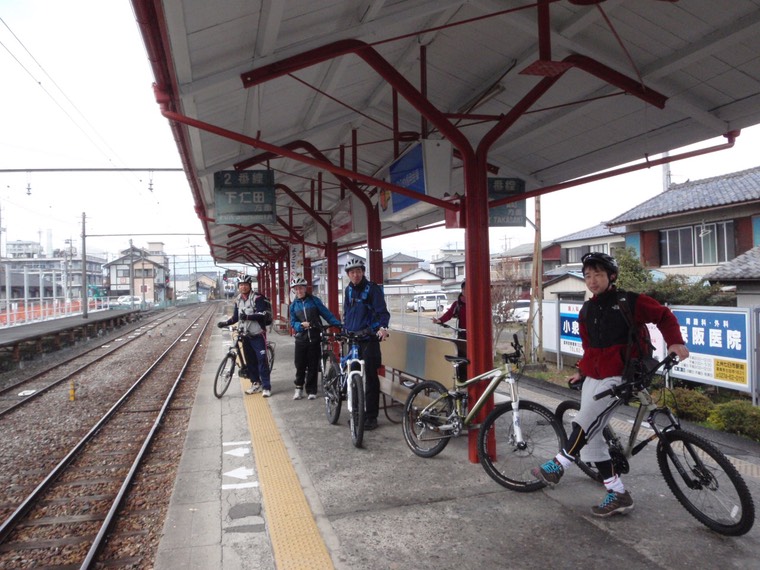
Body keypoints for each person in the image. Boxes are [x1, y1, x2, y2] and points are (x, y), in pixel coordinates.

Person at [531, 252, 690, 517]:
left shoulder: (629, 301)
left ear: (611, 276)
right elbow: (589, 346)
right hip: (595, 374)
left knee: (585, 421)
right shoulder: (587, 310)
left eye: (598, 275)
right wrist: (582, 371)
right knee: (590, 432)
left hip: (624, 374)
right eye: (588, 276)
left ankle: (560, 463)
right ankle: (617, 493)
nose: (592, 281)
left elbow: (663, 316)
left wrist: (675, 341)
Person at [342, 258, 390, 431]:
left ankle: (371, 417)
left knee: (370, 378)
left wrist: (383, 328)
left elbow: (382, 312)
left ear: (363, 272)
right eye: (352, 272)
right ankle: (356, 413)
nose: (356, 275)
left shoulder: (372, 289)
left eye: (359, 271)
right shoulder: (348, 290)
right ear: (348, 274)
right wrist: (344, 328)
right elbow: (346, 312)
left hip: (369, 339)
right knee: (352, 377)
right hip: (353, 340)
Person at [217, 275, 273, 397]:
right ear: (239, 287)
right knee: (251, 361)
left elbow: (261, 314)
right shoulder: (238, 300)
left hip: (258, 334)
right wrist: (225, 323)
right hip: (246, 335)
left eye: (245, 284)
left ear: (249, 285)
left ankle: (267, 387)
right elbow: (236, 317)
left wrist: (248, 317)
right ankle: (255, 383)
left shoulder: (258, 298)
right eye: (241, 285)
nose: (243, 287)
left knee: (262, 361)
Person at [289, 276, 341, 400]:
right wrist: (300, 325)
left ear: (305, 288)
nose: (299, 291)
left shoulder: (314, 301)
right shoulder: (293, 306)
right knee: (300, 364)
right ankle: (298, 388)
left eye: (301, 288)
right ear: (294, 291)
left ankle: (311, 390)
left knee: (313, 364)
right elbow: (293, 323)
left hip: (315, 336)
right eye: (296, 289)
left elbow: (326, 314)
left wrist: (339, 325)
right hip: (301, 338)